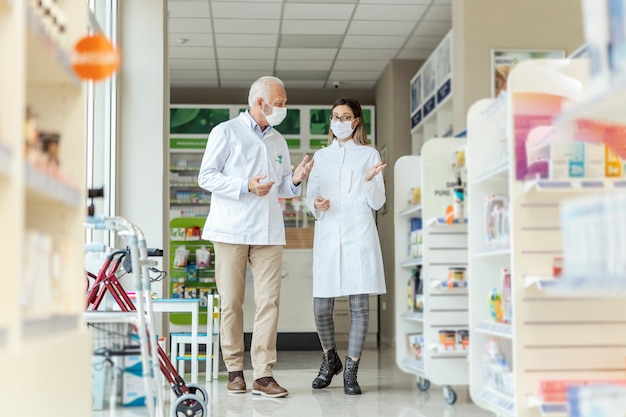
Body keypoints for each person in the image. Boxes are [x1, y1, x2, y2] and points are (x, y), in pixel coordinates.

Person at [198, 76, 314, 398]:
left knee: (269, 303)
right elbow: (206, 176)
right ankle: (234, 369)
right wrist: (244, 185)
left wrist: (297, 180)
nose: (284, 109)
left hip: (267, 231)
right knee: (232, 301)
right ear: (260, 103)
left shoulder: (278, 141)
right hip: (231, 229)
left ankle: (263, 375)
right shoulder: (225, 132)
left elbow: (284, 189)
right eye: (280, 103)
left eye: (284, 103)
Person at [306, 97, 387, 395]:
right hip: (328, 236)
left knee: (360, 308)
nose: (339, 122)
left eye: (345, 117)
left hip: (358, 237)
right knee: (320, 308)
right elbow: (310, 196)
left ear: (355, 122)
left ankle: (351, 371)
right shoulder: (321, 156)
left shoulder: (369, 154)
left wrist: (368, 181)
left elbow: (378, 201)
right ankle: (330, 360)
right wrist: (315, 202)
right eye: (334, 117)